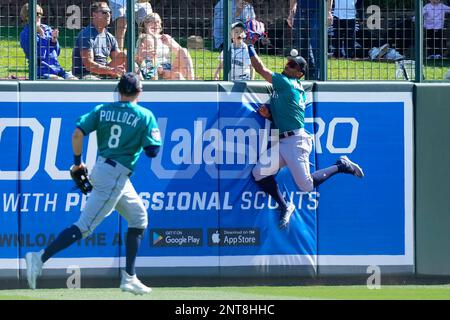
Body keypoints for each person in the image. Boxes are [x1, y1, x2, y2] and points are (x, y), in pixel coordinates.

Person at [24, 72, 162, 294]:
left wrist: (78, 163)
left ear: (118, 91)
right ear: (139, 92)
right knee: (85, 226)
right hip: (115, 175)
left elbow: (78, 133)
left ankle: (129, 277)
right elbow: (153, 152)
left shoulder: (103, 109)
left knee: (138, 217)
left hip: (105, 169)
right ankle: (39, 257)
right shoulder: (145, 115)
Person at [246, 43, 364, 228]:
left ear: (299, 73)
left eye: (292, 65)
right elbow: (285, 111)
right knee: (258, 173)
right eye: (288, 62)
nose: (287, 65)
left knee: (307, 186)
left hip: (295, 142)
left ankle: (341, 166)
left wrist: (250, 46)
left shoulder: (286, 83)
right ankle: (286, 206)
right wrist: (270, 114)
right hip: (284, 141)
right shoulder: (290, 86)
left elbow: (259, 68)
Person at [19, 3, 78, 80]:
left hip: (57, 69)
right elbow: (39, 56)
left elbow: (57, 53)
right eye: (36, 14)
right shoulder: (26, 34)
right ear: (27, 17)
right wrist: (42, 35)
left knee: (74, 80)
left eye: (40, 14)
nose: (39, 16)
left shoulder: (47, 29)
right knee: (59, 81)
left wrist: (54, 40)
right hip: (41, 72)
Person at [72, 2, 127, 79]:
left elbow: (118, 58)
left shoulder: (109, 37)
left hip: (104, 72)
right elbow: (89, 66)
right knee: (92, 79)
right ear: (94, 15)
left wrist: (131, 57)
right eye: (104, 12)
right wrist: (111, 70)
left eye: (109, 12)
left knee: (126, 56)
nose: (108, 15)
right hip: (86, 75)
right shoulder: (86, 35)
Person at [135, 12, 194, 80]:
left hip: (168, 68)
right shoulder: (143, 38)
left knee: (184, 50)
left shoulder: (166, 37)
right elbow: (137, 57)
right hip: (151, 68)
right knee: (178, 77)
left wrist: (171, 44)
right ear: (146, 24)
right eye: (152, 21)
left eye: (158, 22)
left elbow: (181, 55)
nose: (156, 24)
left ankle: (192, 82)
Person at [287, 0, 334, 80]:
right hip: (300, 12)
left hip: (318, 12)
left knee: (317, 47)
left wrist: (328, 11)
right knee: (302, 47)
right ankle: (310, 76)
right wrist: (291, 13)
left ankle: (319, 78)